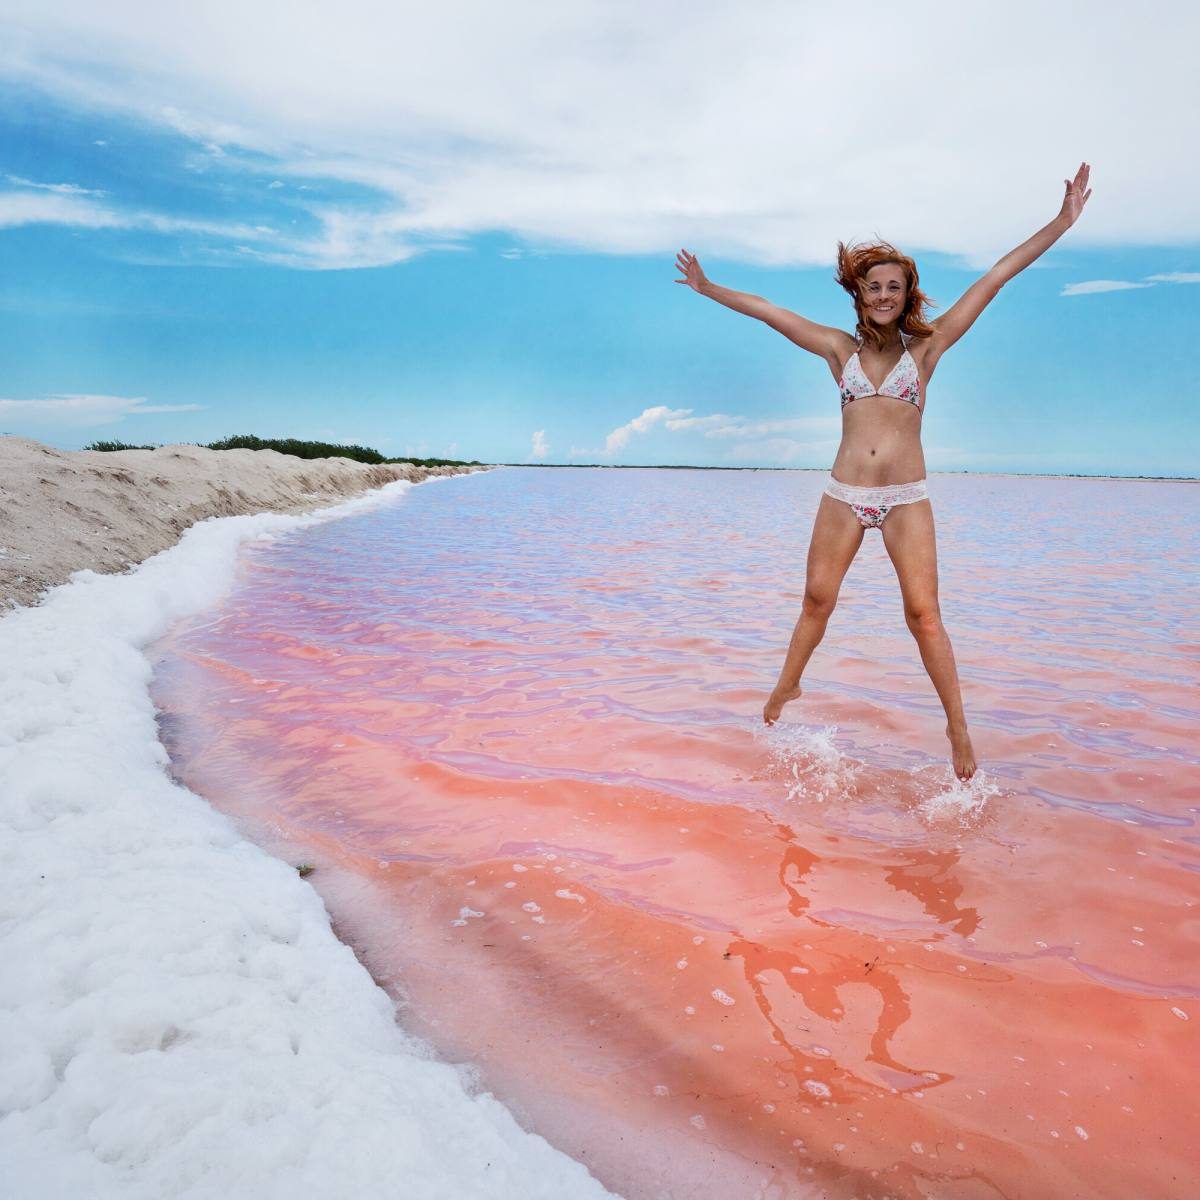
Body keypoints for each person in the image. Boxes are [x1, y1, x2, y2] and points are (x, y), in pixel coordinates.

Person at [674, 163, 1092, 783]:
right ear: (860, 295)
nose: (884, 296)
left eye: (894, 287)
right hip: (844, 494)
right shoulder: (837, 349)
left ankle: (956, 724)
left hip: (905, 498)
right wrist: (708, 288)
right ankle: (786, 688)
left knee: (923, 615)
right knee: (818, 601)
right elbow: (768, 310)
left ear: (907, 293)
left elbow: (997, 277)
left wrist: (1061, 221)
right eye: (874, 288)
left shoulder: (927, 349)